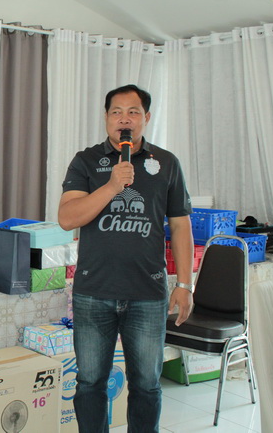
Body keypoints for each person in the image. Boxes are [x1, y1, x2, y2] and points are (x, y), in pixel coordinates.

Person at [58, 84, 194, 432]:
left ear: (146, 118)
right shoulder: (86, 160)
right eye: (116, 112)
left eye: (133, 112)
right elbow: (67, 218)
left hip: (147, 293)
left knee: (147, 385)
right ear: (106, 118)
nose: (124, 119)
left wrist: (185, 284)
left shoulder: (166, 163)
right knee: (90, 382)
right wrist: (111, 186)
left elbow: (180, 226)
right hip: (94, 292)